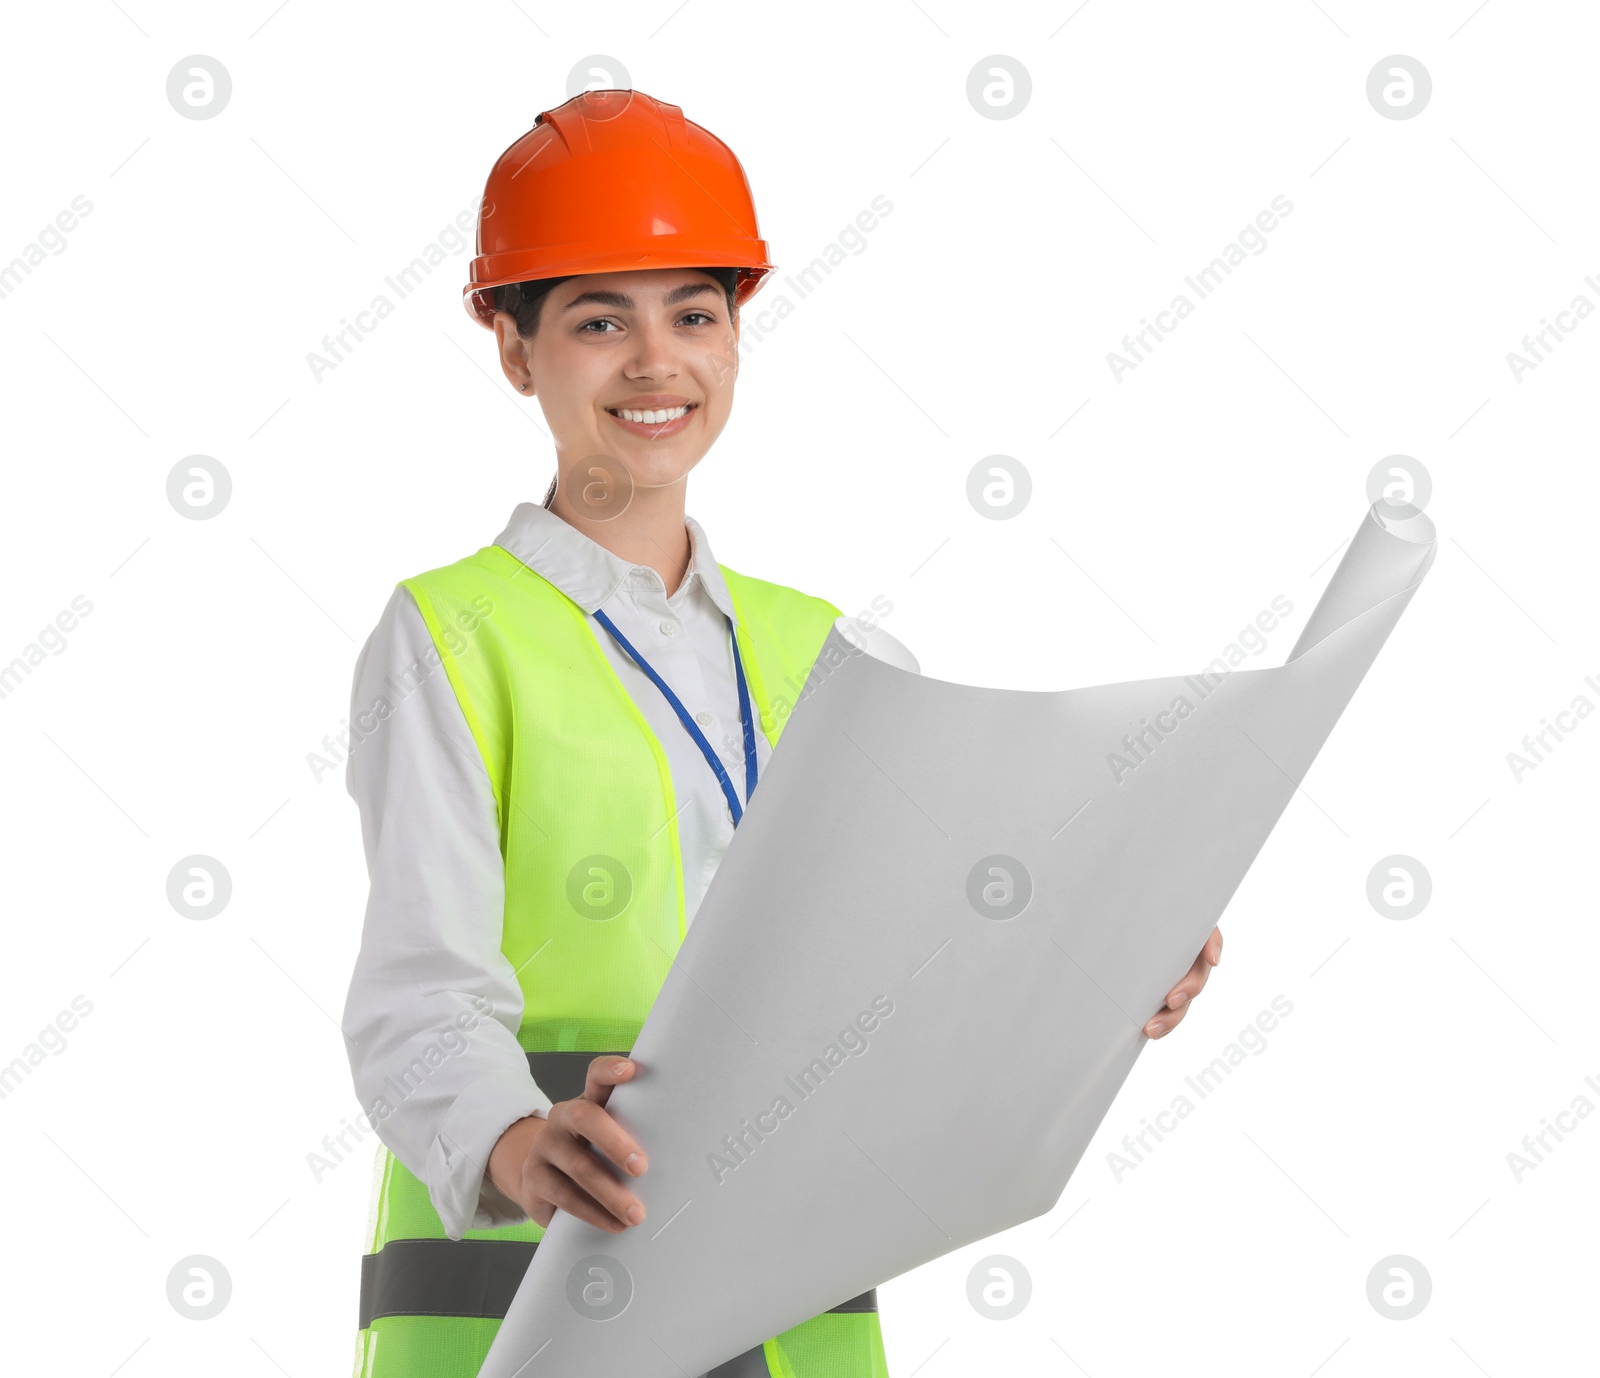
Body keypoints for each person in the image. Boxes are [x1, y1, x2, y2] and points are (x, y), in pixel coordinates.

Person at [339, 88, 1221, 1378]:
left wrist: (1099, 965)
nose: (656, 364)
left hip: (788, 1301)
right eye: (598, 321)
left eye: (694, 315)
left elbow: (936, 963)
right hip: (527, 1298)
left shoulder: (834, 658)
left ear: (737, 337)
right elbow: (417, 998)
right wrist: (518, 1145)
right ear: (515, 347)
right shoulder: (450, 639)